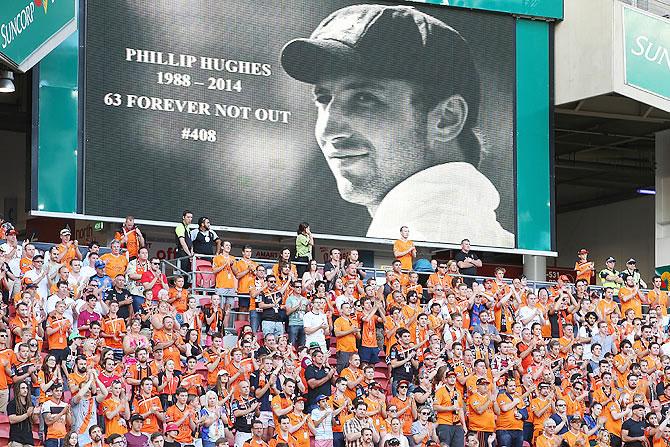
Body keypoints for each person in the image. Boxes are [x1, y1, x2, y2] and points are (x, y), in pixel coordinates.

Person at [280, 4, 514, 246]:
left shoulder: (428, 237)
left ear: (446, 119)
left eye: (364, 98)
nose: (329, 131)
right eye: (323, 99)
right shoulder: (463, 234)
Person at [8, 381, 38, 447]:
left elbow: (34, 420)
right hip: (16, 439)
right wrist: (26, 415)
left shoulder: (30, 404)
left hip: (28, 439)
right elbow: (12, 420)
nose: (25, 390)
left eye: (26, 388)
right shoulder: (12, 404)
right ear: (18, 390)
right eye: (23, 388)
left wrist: (36, 413)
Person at [175, 210, 194, 274]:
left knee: (188, 273)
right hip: (182, 253)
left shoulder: (188, 228)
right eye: (188, 217)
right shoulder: (180, 226)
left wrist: (191, 254)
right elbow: (182, 242)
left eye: (191, 217)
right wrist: (189, 255)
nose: (190, 219)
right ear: (183, 217)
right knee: (182, 273)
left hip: (187, 253)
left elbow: (190, 243)